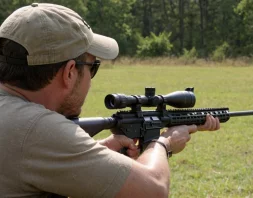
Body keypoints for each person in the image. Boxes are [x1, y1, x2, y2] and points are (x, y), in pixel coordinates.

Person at [0, 3, 220, 198]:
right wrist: (164, 143)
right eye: (93, 67)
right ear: (69, 72)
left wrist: (94, 150)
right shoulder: (37, 129)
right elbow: (153, 189)